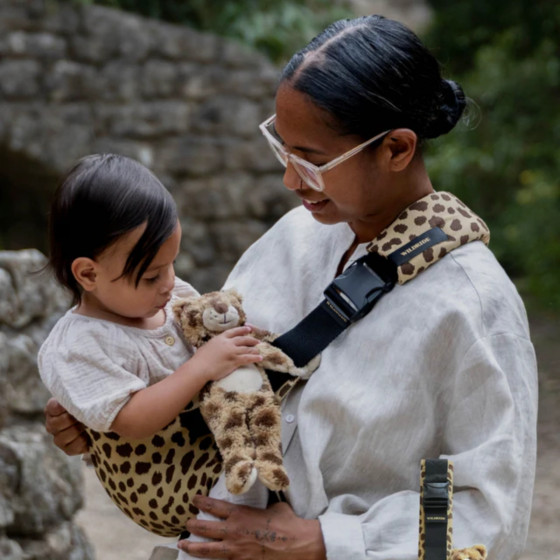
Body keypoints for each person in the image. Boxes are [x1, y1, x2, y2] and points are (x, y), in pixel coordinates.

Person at [44, 15, 538, 560]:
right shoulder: (293, 238)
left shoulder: (474, 304)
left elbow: (490, 514)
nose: (290, 179)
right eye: (284, 150)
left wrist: (325, 541)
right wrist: (103, 413)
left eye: (313, 160)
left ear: (396, 149)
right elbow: (211, 383)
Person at [39, 152, 263, 446]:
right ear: (89, 274)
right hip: (166, 480)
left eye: (172, 264)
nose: (169, 282)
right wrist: (201, 366)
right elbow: (132, 420)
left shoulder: (174, 297)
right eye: (151, 276)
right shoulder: (77, 346)